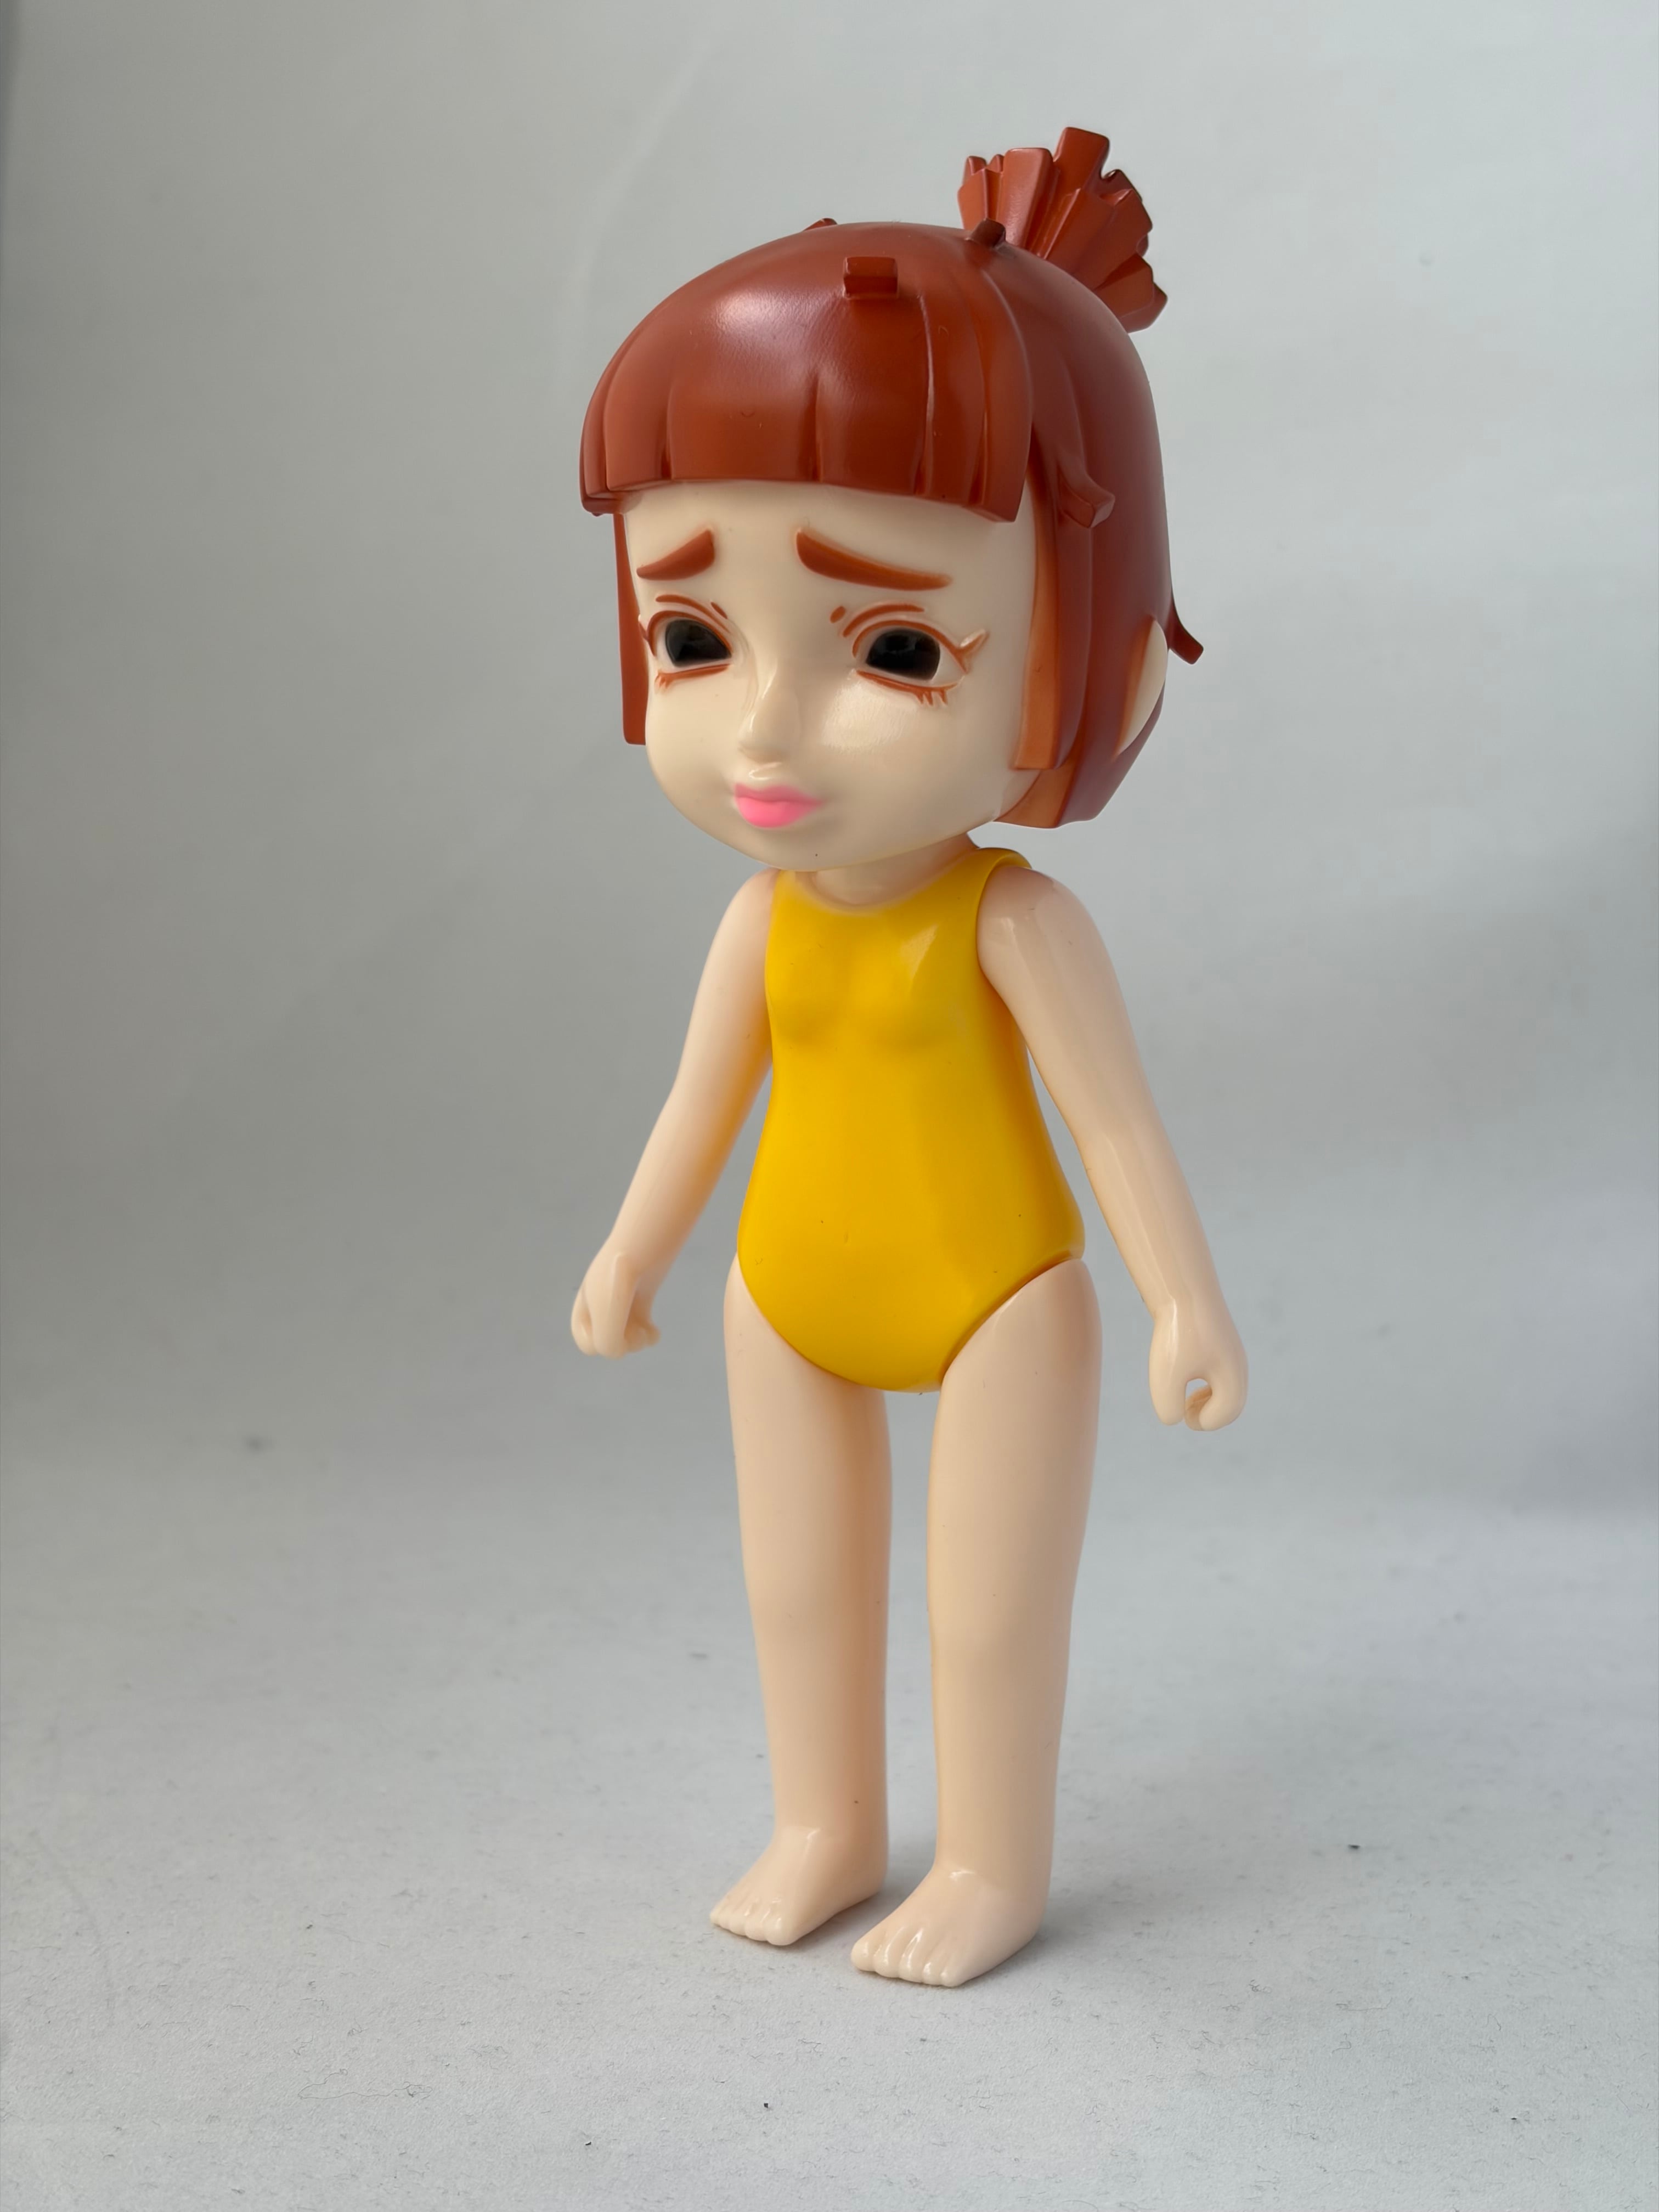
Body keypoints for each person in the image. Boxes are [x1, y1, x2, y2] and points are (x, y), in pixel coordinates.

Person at [570, 128, 1248, 1988]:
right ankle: (825, 1827)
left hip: (995, 1299)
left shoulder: (1014, 925)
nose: (765, 733)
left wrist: (1185, 1302)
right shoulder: (763, 921)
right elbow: (701, 1107)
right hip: (784, 1294)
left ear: (1096, 664)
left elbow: (1117, 1130)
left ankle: (994, 1866)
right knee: (798, 1592)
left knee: (986, 1614)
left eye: (891, 649)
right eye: (693, 634)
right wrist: (633, 1250)